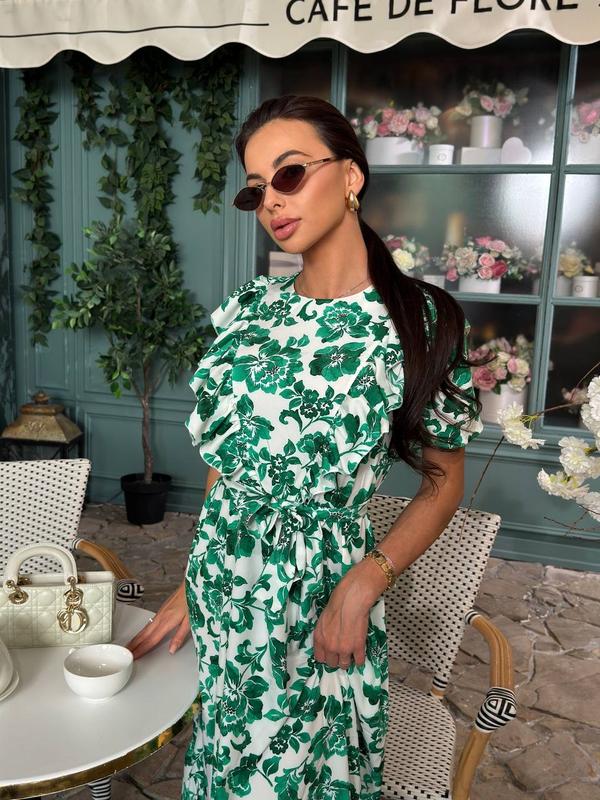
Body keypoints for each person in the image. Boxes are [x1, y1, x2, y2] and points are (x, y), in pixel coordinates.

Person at [126, 95, 483, 800]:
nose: (270, 201)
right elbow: (226, 463)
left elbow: (444, 481)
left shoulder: (420, 319)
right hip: (227, 585)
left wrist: (365, 582)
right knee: (225, 767)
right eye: (256, 189)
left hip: (322, 595)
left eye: (289, 175)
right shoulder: (252, 311)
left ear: (351, 176)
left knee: (308, 778)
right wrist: (195, 580)